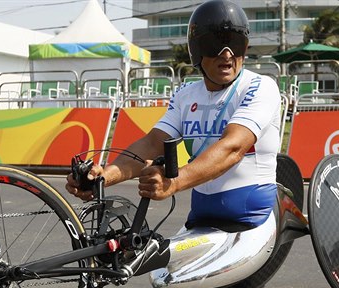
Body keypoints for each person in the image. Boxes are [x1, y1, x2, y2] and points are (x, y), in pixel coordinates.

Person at [66, 0, 281, 230]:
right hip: (202, 219)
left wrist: (173, 183)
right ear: (197, 50)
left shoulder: (260, 86)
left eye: (235, 43)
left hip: (252, 221)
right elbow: (152, 143)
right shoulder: (186, 94)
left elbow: (233, 148)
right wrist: (102, 178)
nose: (227, 54)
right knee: (139, 264)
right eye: (214, 44)